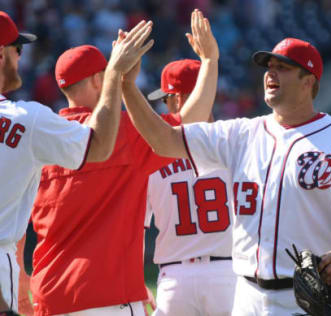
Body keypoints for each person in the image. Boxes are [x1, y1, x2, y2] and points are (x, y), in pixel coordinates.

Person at [123, 37, 331, 315]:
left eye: (283, 67)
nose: (270, 73)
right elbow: (164, 141)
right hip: (246, 297)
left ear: (308, 81)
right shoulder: (241, 134)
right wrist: (126, 84)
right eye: (269, 66)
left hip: (306, 297)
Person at [28, 10, 219, 316]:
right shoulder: (124, 134)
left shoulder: (40, 138)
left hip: (50, 297)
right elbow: (190, 122)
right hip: (109, 297)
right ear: (97, 79)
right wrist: (210, 62)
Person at [0, 11, 147, 315]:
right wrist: (118, 79)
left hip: (51, 291)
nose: (20, 56)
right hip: (108, 294)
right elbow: (99, 144)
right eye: (17, 48)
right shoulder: (31, 122)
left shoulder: (39, 125)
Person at [145, 58, 236, 316]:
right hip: (228, 274)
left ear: (179, 98)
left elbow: (135, 228)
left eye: (166, 99)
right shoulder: (234, 141)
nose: (164, 106)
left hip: (176, 277)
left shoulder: (152, 155)